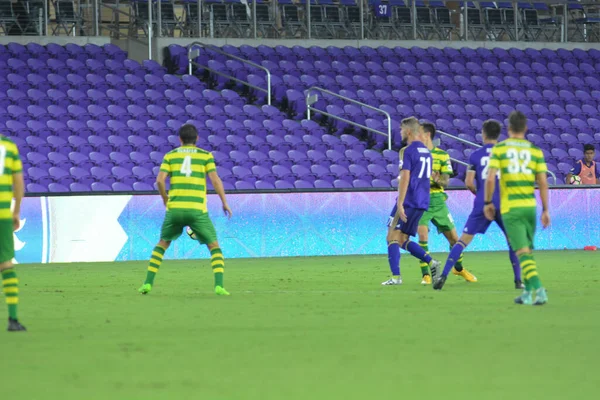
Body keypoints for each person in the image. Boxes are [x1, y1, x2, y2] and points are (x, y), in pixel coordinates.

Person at [138, 124, 233, 296]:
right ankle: (219, 286)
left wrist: (165, 198)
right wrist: (224, 202)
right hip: (197, 210)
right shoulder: (205, 156)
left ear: (180, 139)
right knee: (214, 246)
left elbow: (159, 181)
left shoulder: (170, 155)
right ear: (197, 139)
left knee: (162, 243)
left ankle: (147, 284)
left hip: (175, 209)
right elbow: (216, 180)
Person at [433, 120, 523, 290]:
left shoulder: (475, 155)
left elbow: (468, 182)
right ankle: (518, 281)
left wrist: (479, 193)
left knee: (462, 241)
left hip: (482, 203)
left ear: (484, 134)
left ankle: (443, 276)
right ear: (498, 135)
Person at [483, 111, 550, 305]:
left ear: (509, 128)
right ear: (526, 128)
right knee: (527, 250)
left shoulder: (500, 149)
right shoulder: (536, 150)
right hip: (530, 206)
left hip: (511, 207)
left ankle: (539, 289)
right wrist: (545, 209)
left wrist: (488, 202)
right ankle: (528, 294)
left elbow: (490, 178)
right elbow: (543, 184)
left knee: (521, 251)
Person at [415, 123, 477, 285]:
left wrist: (438, 179)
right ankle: (426, 274)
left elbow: (446, 182)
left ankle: (459, 268)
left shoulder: (442, 156)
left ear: (427, 135)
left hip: (438, 202)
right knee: (422, 236)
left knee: (455, 239)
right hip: (420, 201)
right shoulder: (413, 155)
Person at [382, 117, 441, 285]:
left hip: (408, 200)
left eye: (401, 129)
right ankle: (431, 262)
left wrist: (400, 203)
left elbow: (405, 177)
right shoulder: (427, 152)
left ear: (408, 131)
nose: (400, 132)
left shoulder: (407, 151)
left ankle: (396, 277)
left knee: (391, 236)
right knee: (401, 240)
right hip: (422, 201)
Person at [0, 135, 26, 331]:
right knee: (6, 264)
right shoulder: (8, 146)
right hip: (1, 214)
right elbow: (18, 182)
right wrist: (16, 211)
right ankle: (13, 319)